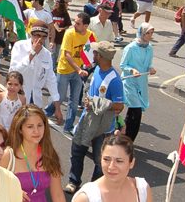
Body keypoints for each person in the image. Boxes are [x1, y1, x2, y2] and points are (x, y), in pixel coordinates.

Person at [65, 42, 124, 195]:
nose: (93, 54)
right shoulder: (97, 68)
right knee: (77, 150)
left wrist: (97, 103)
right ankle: (73, 181)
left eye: (96, 53)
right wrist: (88, 100)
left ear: (102, 56)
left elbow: (119, 106)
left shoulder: (115, 80)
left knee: (101, 160)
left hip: (103, 127)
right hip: (87, 120)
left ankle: (94, 188)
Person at [1, 105, 65, 202]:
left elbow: (58, 195)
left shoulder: (49, 154)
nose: (36, 131)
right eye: (30, 126)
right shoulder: (8, 156)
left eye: (40, 125)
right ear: (20, 129)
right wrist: (11, 190)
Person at [45, 12, 94, 134]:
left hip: (78, 72)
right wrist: (79, 69)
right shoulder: (69, 33)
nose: (74, 25)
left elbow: (91, 52)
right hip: (64, 70)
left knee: (74, 101)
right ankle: (46, 113)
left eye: (78, 23)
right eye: (75, 22)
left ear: (86, 26)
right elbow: (67, 55)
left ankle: (68, 126)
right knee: (60, 97)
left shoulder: (91, 36)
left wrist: (89, 64)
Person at [9, 21, 63, 124]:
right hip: (18, 99)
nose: (40, 39)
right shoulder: (19, 46)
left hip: (36, 102)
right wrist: (32, 53)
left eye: (43, 37)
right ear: (31, 34)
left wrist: (57, 107)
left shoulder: (46, 54)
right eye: (37, 35)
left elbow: (51, 80)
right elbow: (13, 72)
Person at [72, 135, 153, 202]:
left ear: (131, 163)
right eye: (106, 159)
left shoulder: (142, 190)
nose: (111, 166)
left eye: (119, 161)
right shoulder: (86, 198)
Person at [120, 23, 157, 142]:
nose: (150, 36)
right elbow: (123, 65)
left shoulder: (150, 48)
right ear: (141, 33)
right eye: (148, 33)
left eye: (151, 33)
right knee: (136, 111)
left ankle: (125, 137)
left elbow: (149, 63)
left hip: (141, 82)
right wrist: (132, 69)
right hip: (130, 81)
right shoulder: (130, 48)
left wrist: (151, 68)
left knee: (133, 111)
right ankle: (129, 138)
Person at [50, 0, 72, 68]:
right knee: (52, 52)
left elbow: (68, 25)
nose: (56, 4)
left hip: (61, 36)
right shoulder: (52, 12)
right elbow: (49, 22)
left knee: (57, 53)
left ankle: (54, 65)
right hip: (52, 36)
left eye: (58, 3)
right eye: (55, 2)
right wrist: (54, 25)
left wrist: (62, 28)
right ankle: (52, 67)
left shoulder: (65, 14)